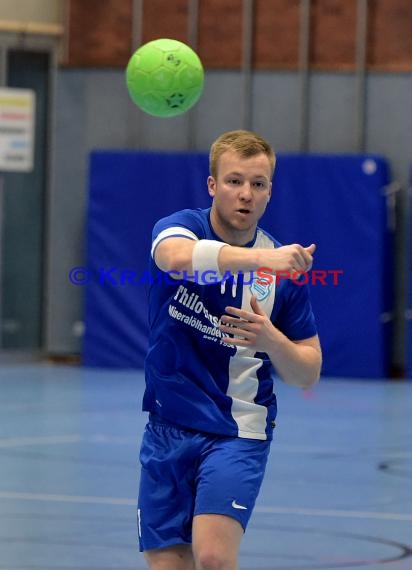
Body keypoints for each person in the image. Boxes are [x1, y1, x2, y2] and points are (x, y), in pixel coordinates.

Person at [137, 129, 322, 570]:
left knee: (215, 557)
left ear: (270, 191)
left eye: (258, 184)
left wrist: (271, 340)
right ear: (212, 186)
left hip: (236, 429)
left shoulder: (281, 271)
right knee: (168, 565)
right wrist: (262, 261)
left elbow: (308, 372)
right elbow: (176, 259)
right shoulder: (179, 227)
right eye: (235, 181)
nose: (246, 195)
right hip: (167, 425)